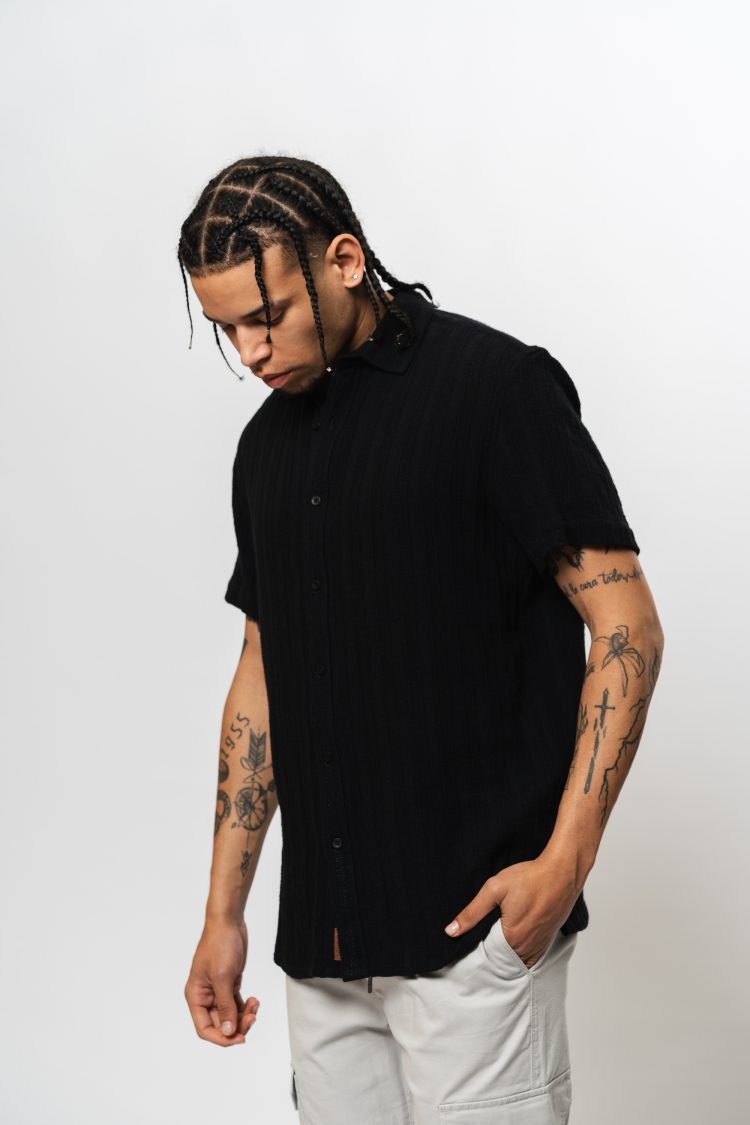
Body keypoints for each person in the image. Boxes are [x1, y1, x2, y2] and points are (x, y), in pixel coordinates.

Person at [180, 155, 665, 1124]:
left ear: (344, 261)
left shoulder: (498, 389)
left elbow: (627, 626)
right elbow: (262, 673)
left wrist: (565, 863)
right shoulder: (264, 448)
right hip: (324, 947)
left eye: (267, 316)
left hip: (475, 936)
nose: (251, 352)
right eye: (227, 329)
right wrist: (222, 915)